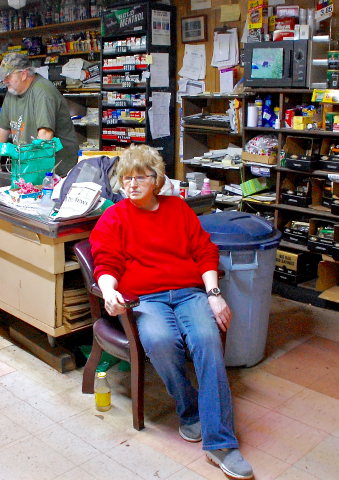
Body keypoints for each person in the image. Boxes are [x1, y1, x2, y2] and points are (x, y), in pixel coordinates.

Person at [89, 145, 253, 480]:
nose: (132, 184)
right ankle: (190, 409)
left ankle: (220, 442)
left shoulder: (177, 209)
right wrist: (109, 292)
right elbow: (105, 262)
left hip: (189, 292)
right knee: (161, 341)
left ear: (156, 180)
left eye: (140, 177)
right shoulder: (115, 217)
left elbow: (204, 251)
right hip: (146, 298)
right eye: (126, 178)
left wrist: (214, 294)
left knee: (207, 339)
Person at [0, 53, 78, 177]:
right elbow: (2, 128)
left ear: (23, 74)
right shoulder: (12, 93)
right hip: (28, 169)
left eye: (8, 76)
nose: (4, 81)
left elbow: (45, 136)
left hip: (55, 172)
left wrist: (35, 174)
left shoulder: (43, 93)